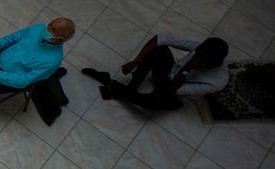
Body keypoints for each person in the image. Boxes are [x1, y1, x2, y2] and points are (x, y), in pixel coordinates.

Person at [82, 35, 228, 111]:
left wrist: (187, 67)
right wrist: (135, 62)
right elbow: (160, 39)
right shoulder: (199, 49)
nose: (194, 53)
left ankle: (110, 84)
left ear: (206, 62)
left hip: (174, 93)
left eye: (198, 56)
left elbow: (172, 89)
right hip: (169, 73)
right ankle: (129, 87)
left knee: (146, 102)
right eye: (196, 51)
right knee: (159, 49)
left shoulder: (216, 82)